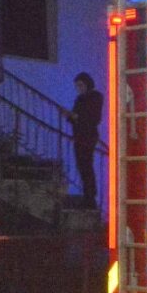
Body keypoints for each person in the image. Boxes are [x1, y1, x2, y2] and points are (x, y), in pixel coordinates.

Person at [68, 72, 103, 209]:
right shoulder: (79, 99)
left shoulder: (96, 97)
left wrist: (77, 117)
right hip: (79, 136)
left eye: (81, 85)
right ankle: (87, 195)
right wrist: (72, 117)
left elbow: (95, 118)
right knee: (82, 166)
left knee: (87, 166)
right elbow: (74, 116)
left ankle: (90, 197)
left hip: (88, 136)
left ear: (87, 84)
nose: (79, 88)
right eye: (77, 86)